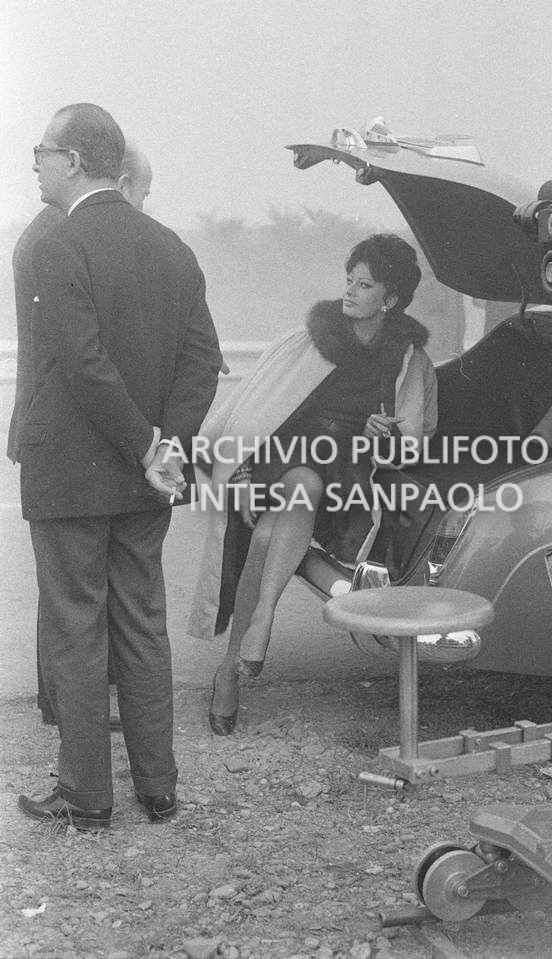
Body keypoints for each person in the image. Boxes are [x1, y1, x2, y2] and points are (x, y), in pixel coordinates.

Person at [17, 103, 222, 829]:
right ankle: (158, 790)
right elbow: (203, 361)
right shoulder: (172, 248)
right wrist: (168, 446)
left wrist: (145, 444)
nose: (33, 162)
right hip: (146, 484)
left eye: (41, 151)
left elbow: (79, 362)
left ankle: (86, 797)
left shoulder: (56, 246)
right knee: (142, 623)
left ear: (73, 160)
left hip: (71, 477)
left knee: (77, 628)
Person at [188, 234, 437, 735]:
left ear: (389, 300)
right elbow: (252, 410)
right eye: (349, 279)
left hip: (346, 480)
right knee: (301, 478)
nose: (349, 291)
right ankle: (258, 628)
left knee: (266, 537)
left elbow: (414, 443)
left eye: (363, 284)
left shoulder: (409, 361)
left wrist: (379, 439)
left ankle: (232, 667)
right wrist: (236, 472)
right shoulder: (311, 339)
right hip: (277, 464)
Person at [8, 141, 154, 727]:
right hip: (75, 427)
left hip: (47, 421)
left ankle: (63, 701)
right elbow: (83, 352)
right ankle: (74, 706)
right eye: (141, 194)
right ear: (119, 182)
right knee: (80, 591)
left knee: (65, 587)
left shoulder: (47, 233)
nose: (141, 208)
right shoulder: (61, 239)